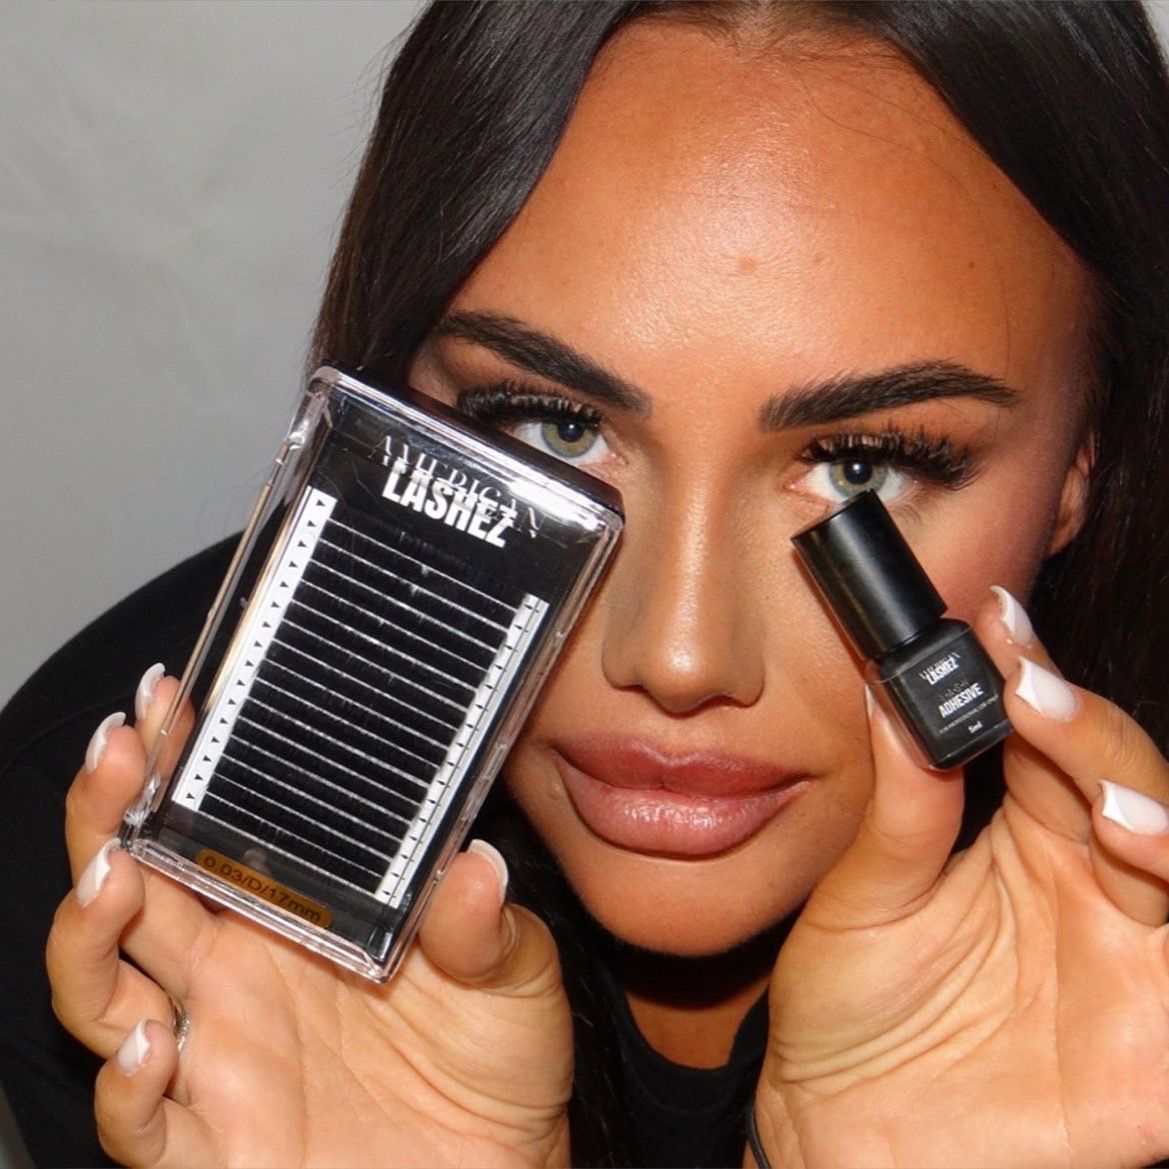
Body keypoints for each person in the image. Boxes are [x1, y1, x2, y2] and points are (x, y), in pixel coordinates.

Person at [4, 1, 1169, 1165]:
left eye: (860, 463)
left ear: (1085, 458)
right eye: (555, 427)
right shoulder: (144, 896)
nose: (677, 655)